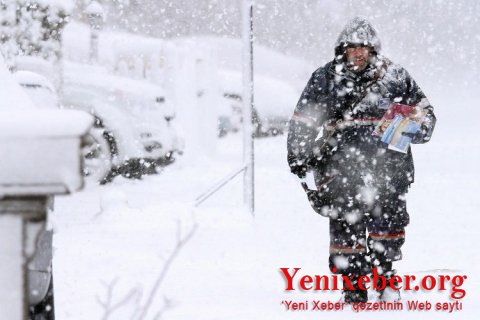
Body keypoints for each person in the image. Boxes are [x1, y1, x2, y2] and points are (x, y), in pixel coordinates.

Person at [287, 17, 436, 303]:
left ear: (373, 50)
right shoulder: (325, 78)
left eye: (364, 47)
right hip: (339, 168)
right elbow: (303, 122)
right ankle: (352, 284)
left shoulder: (395, 76)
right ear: (342, 49)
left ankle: (385, 278)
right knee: (345, 227)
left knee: (387, 226)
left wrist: (409, 126)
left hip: (388, 169)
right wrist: (298, 157)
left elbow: (426, 115)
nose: (359, 53)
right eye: (353, 47)